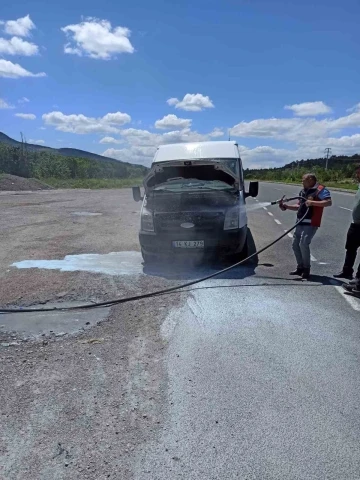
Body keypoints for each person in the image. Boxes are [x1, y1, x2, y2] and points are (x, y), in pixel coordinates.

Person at [279, 173, 332, 279]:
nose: (302, 182)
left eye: (303, 180)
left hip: (311, 222)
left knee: (304, 244)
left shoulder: (320, 190)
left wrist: (312, 202)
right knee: (295, 245)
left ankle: (306, 269)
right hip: (300, 221)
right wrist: (286, 206)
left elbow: (328, 202)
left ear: (311, 180)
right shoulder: (303, 191)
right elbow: (299, 206)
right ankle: (300, 267)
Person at [334, 166, 360, 293]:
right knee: (350, 248)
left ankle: (358, 281)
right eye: (357, 173)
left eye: (359, 173)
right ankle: (347, 271)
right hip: (355, 224)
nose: (357, 175)